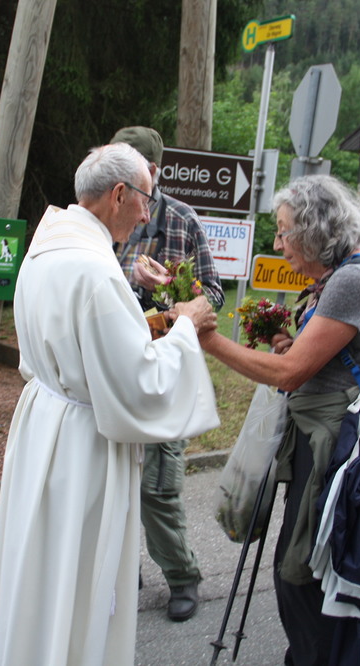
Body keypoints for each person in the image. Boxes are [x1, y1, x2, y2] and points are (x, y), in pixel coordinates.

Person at [0, 143, 220, 666]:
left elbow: (91, 345)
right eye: (145, 201)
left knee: (42, 567)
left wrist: (154, 322)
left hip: (44, 424)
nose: (147, 215)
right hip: (83, 445)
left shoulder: (45, 250)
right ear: (119, 194)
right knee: (78, 572)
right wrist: (185, 326)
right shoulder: (96, 271)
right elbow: (137, 382)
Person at [200, 175, 360, 665]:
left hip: (343, 455)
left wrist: (207, 338)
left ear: (315, 229)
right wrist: (293, 345)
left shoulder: (353, 280)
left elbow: (290, 373)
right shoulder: (340, 276)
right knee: (304, 575)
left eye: (284, 230)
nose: (278, 243)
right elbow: (316, 360)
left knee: (311, 583)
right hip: (329, 446)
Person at [109, 125, 224, 621]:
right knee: (111, 481)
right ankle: (121, 572)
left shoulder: (181, 219)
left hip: (165, 372)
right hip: (114, 370)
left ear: (154, 170)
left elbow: (213, 295)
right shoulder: (100, 215)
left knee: (157, 487)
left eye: (135, 166)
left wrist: (169, 291)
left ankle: (181, 577)